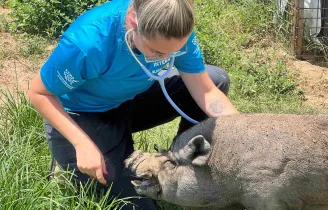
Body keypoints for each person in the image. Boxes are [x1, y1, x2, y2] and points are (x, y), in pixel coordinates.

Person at [27, 0, 240, 209]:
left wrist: (248, 133)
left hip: (128, 100)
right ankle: (82, 157)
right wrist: (81, 144)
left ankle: (182, 165)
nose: (166, 58)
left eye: (174, 52)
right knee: (138, 204)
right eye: (157, 52)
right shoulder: (88, 43)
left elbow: (206, 91)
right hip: (83, 115)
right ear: (133, 21)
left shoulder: (174, 24)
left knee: (216, 79)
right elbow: (38, 93)